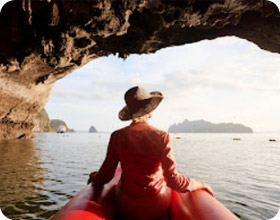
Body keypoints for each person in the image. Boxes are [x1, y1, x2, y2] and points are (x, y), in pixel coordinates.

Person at [88, 86, 213, 219]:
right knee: (164, 182)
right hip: (156, 205)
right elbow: (174, 181)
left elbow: (106, 176)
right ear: (150, 111)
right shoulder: (161, 136)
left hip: (126, 205)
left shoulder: (117, 136)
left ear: (130, 113)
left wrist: (94, 177)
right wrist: (201, 184)